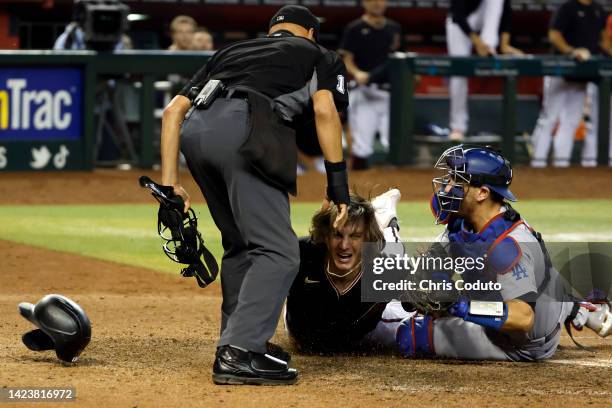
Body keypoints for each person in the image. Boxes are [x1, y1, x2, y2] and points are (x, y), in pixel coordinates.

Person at [160, 5, 349, 385]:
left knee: (242, 245)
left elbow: (172, 112)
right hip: (247, 131)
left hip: (196, 134)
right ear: (310, 33)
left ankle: (242, 339)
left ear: (272, 32)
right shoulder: (320, 55)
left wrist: (170, 185)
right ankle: (239, 352)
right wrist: (337, 184)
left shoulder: (231, 52)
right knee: (279, 251)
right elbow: (325, 110)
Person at [396, 145, 611, 360]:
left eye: (457, 181)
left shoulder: (508, 246)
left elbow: (523, 318)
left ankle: (565, 306)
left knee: (411, 335)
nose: (447, 187)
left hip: (523, 341)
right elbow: (433, 265)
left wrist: (458, 305)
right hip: (530, 295)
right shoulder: (464, 222)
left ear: (482, 193)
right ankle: (570, 305)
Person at [286, 189, 412, 353]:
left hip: (359, 336)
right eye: (337, 235)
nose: (344, 245)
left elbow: (422, 300)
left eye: (355, 236)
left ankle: (386, 217)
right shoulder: (302, 254)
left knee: (395, 254)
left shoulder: (387, 270)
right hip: (301, 333)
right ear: (326, 236)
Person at [530, 0, 608, 167]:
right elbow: (554, 35)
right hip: (560, 70)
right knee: (549, 118)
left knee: (571, 121)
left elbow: (602, 40)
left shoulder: (598, 9)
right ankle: (537, 163)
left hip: (582, 76)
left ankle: (561, 163)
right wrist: (572, 51)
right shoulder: (567, 6)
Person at [446, 0, 523, 141]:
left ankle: (490, 44)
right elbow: (457, 14)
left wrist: (504, 45)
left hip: (483, 22)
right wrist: (477, 42)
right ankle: (458, 127)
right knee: (459, 73)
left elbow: (506, 13)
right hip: (460, 23)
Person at [339, 0, 401, 170]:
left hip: (390, 92)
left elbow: (400, 58)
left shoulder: (394, 28)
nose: (377, 3)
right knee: (361, 146)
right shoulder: (355, 28)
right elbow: (346, 58)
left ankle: (401, 187)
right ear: (364, 3)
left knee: (394, 143)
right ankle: (357, 189)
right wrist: (357, 72)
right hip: (364, 91)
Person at [584, 13, 612, 166]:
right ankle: (589, 163)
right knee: (595, 123)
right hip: (601, 79)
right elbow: (605, 43)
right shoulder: (609, 19)